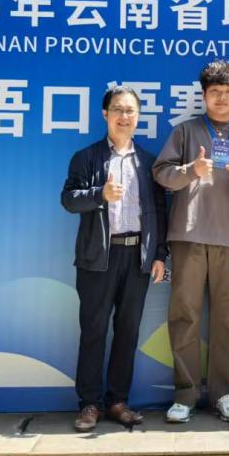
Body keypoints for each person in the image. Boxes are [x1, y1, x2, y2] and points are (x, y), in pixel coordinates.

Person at [153, 60, 229, 423]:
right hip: (188, 235)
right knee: (184, 315)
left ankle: (224, 394)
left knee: (225, 320)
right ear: (203, 96)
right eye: (214, 92)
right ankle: (185, 395)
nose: (221, 98)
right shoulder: (185, 132)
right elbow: (161, 174)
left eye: (228, 93)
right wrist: (191, 170)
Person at [60, 86, 168, 432]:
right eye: (118, 110)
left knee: (128, 331)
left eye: (131, 111)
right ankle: (89, 404)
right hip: (98, 258)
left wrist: (159, 254)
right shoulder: (86, 158)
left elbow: (159, 212)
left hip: (137, 257)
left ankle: (118, 401)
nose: (125, 116)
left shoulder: (148, 162)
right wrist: (100, 194)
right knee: (93, 331)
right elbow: (69, 200)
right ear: (105, 114)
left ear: (138, 117)